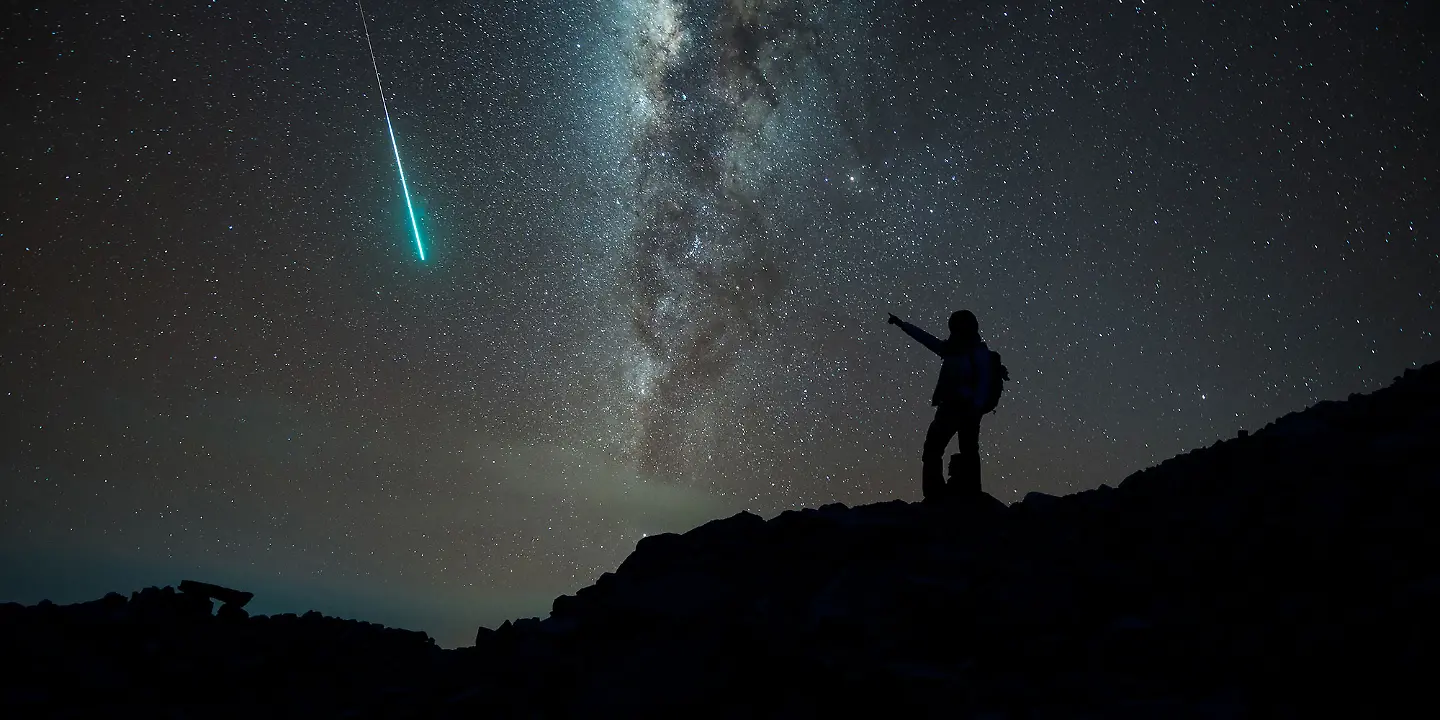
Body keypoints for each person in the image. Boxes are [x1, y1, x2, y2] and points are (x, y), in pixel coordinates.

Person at [888, 310, 993, 502]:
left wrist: (975, 407)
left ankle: (946, 494)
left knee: (945, 450)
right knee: (953, 450)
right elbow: (927, 340)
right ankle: (952, 493)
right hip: (958, 408)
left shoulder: (972, 351)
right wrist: (903, 325)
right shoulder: (956, 350)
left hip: (959, 409)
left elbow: (984, 381)